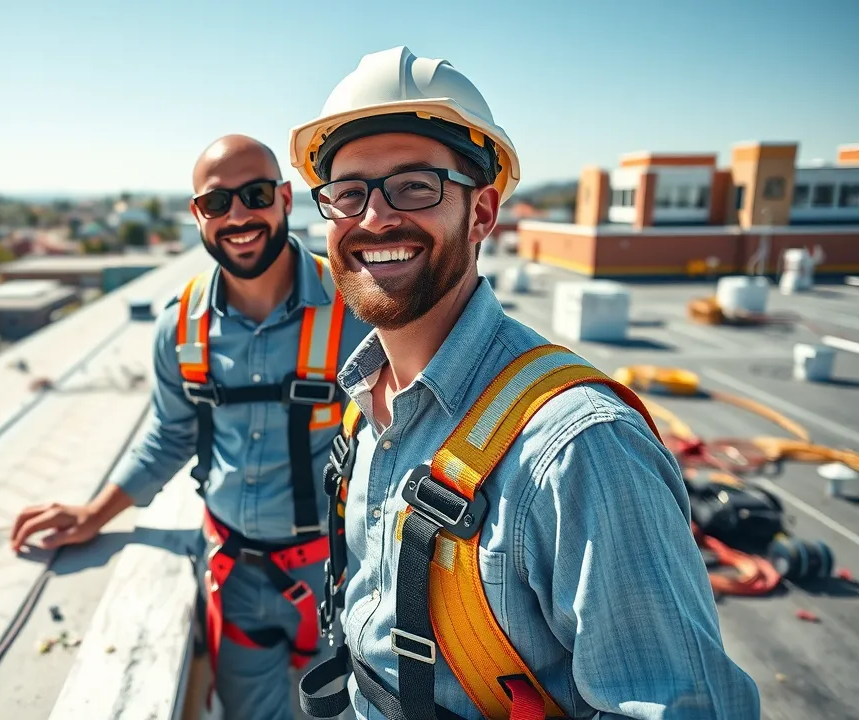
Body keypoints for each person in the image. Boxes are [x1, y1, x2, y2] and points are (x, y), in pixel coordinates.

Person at [288, 47, 760, 720]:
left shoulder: (579, 450)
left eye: (416, 186)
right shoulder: (366, 405)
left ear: (482, 214)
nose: (374, 218)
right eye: (348, 192)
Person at [10, 134, 371, 719]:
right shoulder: (182, 327)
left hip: (340, 577)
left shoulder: (355, 309)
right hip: (235, 580)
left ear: (284, 198)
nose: (238, 216)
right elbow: (169, 436)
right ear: (197, 215)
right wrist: (92, 514)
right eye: (216, 202)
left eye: (254, 195)